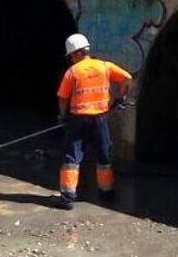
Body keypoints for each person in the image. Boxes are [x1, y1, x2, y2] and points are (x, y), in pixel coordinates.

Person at [55, 33, 132, 210]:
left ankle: (67, 197)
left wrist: (62, 117)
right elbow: (126, 78)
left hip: (78, 119)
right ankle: (106, 192)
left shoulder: (72, 72)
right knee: (103, 155)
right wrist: (120, 97)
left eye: (71, 56)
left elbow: (62, 98)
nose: (71, 59)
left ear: (77, 53)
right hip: (100, 118)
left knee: (71, 157)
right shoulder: (105, 66)